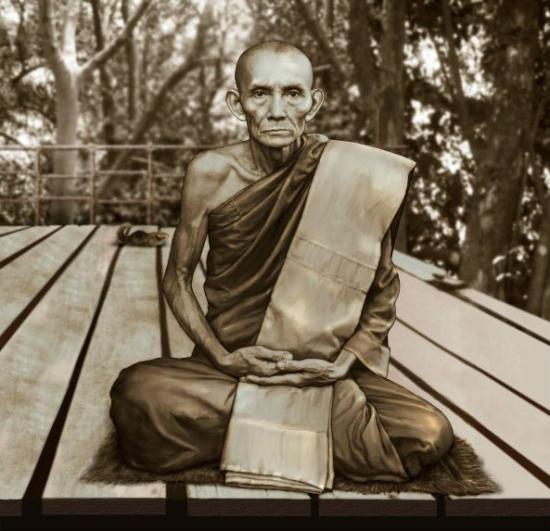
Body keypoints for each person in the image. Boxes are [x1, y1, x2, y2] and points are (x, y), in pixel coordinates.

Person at [110, 40, 454, 483]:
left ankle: (252, 426)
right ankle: (311, 429)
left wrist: (344, 362)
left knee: (428, 433)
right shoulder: (210, 173)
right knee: (137, 395)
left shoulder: (354, 175)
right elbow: (177, 278)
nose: (276, 111)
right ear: (237, 104)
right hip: (232, 367)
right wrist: (223, 358)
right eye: (260, 94)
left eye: (292, 94)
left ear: (314, 102)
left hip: (322, 371)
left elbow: (381, 291)